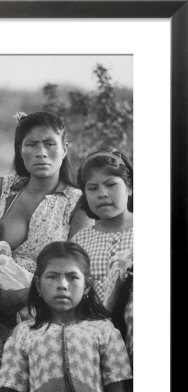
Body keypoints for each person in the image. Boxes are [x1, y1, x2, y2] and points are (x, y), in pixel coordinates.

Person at [0, 111, 92, 392]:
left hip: (44, 315)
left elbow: (78, 271)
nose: (41, 153)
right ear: (20, 150)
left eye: (50, 144)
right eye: (31, 144)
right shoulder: (2, 189)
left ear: (65, 148)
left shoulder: (77, 202)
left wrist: (25, 295)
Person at [0, 241, 132, 392]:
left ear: (87, 285)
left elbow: (117, 390)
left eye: (72, 277)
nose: (62, 285)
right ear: (38, 285)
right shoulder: (23, 333)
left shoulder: (104, 330)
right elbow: (11, 390)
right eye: (52, 277)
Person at [72, 150, 133, 364]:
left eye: (111, 184)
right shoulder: (81, 241)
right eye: (92, 188)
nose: (102, 193)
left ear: (130, 188)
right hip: (93, 338)